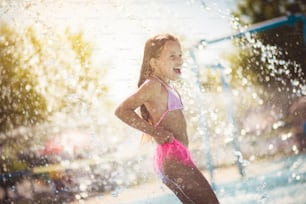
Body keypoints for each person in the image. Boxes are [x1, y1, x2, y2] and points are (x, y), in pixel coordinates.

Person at [115, 33, 219, 204]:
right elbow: (121, 110)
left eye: (180, 55)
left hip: (177, 158)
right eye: (172, 56)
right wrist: (154, 132)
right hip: (173, 161)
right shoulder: (153, 85)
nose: (179, 60)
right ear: (154, 62)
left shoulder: (166, 86)